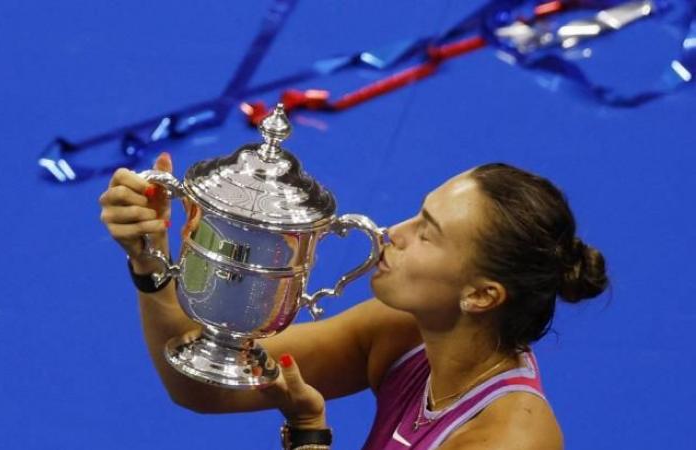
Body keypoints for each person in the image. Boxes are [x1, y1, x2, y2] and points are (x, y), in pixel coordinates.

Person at [99, 152, 608, 449]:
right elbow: (205, 389)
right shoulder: (401, 332)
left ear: (480, 295)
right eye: (416, 214)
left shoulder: (510, 440)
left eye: (427, 234)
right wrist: (150, 260)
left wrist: (308, 432)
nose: (393, 232)